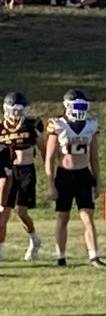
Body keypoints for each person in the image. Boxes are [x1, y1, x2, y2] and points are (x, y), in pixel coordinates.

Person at [44, 89, 106, 267]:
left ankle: (94, 255)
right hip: (64, 175)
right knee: (63, 217)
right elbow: (49, 157)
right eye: (76, 106)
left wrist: (97, 180)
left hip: (83, 175)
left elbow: (94, 156)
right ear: (67, 106)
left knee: (87, 216)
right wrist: (51, 184)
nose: (80, 110)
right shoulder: (58, 125)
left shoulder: (91, 125)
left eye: (82, 106)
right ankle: (60, 256)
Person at [0, 92, 44, 261]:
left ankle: (34, 239)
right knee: (3, 212)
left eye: (20, 110)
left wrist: (49, 171)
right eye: (14, 110)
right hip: (6, 172)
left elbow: (43, 148)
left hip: (26, 171)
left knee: (21, 212)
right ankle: (1, 250)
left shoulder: (32, 124)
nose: (17, 114)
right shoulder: (1, 127)